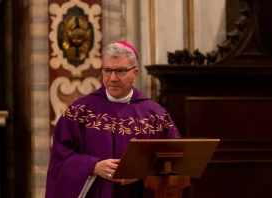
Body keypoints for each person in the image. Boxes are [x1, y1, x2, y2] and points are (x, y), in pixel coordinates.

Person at [45, 41, 181, 198]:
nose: (113, 78)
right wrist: (93, 167)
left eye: (121, 71)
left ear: (135, 73)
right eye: (107, 71)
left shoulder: (155, 115)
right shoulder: (79, 111)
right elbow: (61, 156)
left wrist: (143, 171)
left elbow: (173, 158)